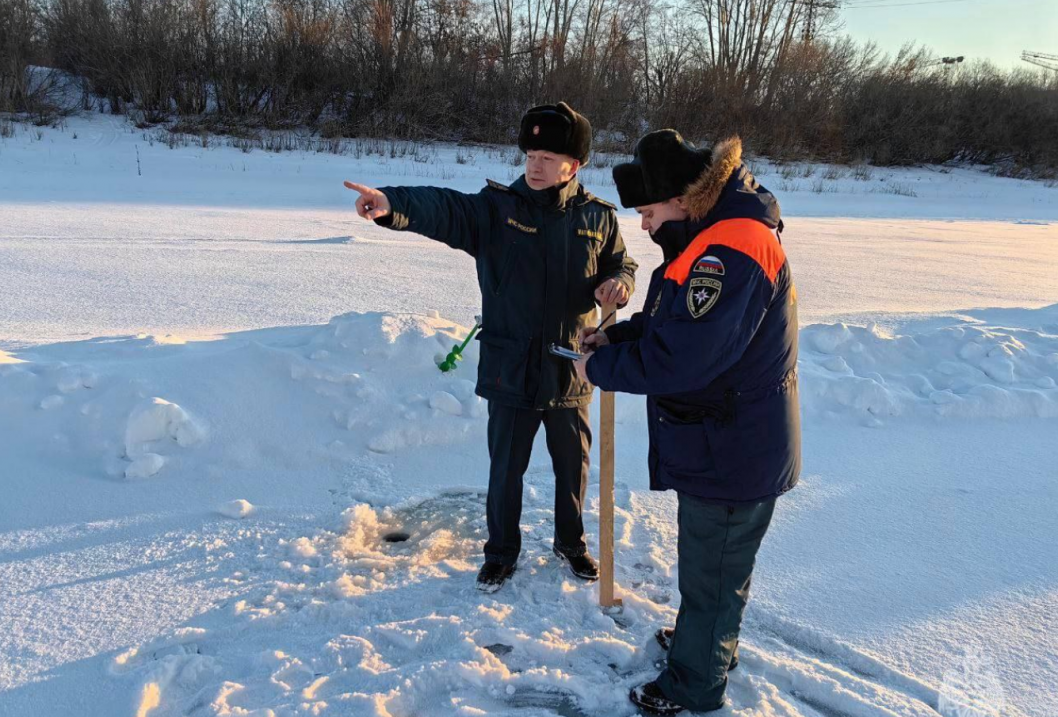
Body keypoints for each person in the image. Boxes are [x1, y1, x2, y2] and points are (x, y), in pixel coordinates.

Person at [344, 102, 638, 593]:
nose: (536, 165)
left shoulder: (597, 217)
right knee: (505, 470)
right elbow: (444, 208)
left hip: (573, 367)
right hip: (511, 367)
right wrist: (391, 203)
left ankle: (571, 543)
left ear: (575, 165)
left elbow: (621, 263)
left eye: (548, 156)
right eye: (531, 154)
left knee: (573, 467)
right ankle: (501, 551)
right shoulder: (496, 210)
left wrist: (619, 284)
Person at [574, 130, 800, 714]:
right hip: (721, 440)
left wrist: (603, 366)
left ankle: (695, 682)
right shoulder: (710, 238)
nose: (644, 227)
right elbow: (666, 323)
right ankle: (709, 645)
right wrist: (616, 336)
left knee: (712, 574)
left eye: (647, 212)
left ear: (679, 198)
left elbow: (686, 357)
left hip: (731, 447)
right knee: (715, 569)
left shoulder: (732, 247)